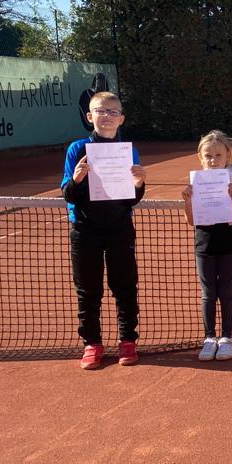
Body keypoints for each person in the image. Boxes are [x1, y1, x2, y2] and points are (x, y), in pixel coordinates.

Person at [61, 91, 146, 369]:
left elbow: (131, 199)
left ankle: (127, 341)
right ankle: (92, 343)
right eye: (100, 111)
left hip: (120, 228)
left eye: (113, 112)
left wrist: (139, 184)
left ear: (121, 118)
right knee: (88, 289)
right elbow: (68, 194)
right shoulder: (77, 149)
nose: (106, 116)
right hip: (85, 230)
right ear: (90, 116)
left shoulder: (128, 151)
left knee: (125, 286)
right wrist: (76, 180)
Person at [181, 130, 232, 362]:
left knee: (226, 292)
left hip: (229, 246)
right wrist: (187, 201)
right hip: (204, 247)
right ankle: (210, 338)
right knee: (208, 293)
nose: (213, 160)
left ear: (227, 155)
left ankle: (227, 338)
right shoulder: (196, 183)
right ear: (201, 158)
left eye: (218, 155)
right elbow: (192, 221)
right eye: (208, 156)